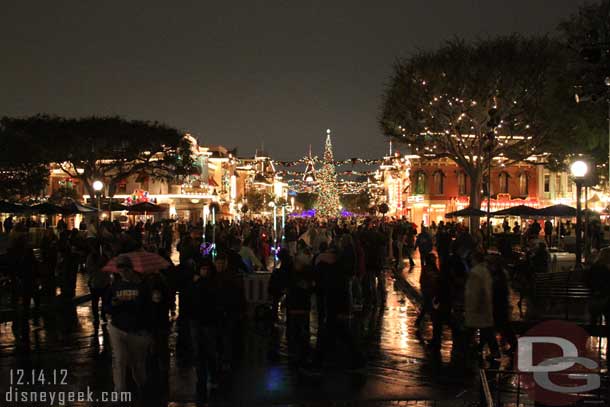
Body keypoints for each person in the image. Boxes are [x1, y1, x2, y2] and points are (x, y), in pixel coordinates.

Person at [106, 255, 154, 397]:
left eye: (125, 269)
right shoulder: (114, 286)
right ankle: (119, 393)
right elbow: (106, 307)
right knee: (120, 360)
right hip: (118, 328)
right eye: (120, 270)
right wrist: (113, 305)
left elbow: (148, 310)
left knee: (137, 364)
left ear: (131, 269)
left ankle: (142, 386)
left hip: (137, 330)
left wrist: (150, 333)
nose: (123, 272)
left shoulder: (142, 286)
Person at [464, 251, 500, 361]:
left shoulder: (476, 272)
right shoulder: (485, 271)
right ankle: (487, 350)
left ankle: (468, 351)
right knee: (486, 330)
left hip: (477, 308)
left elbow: (475, 291)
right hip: (485, 307)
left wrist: (473, 305)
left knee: (473, 330)